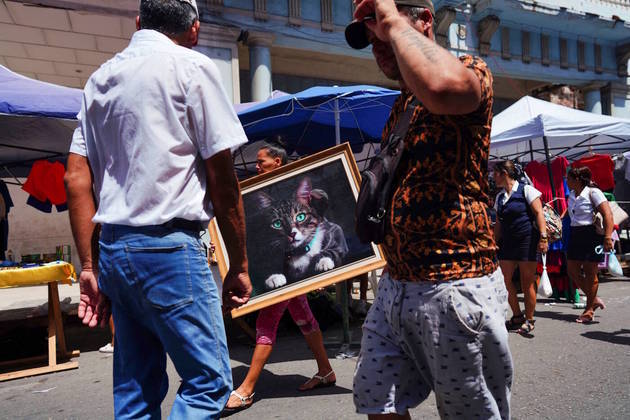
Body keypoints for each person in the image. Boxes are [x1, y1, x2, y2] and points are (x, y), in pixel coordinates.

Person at [64, 0, 252, 417]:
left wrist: (89, 268)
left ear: (138, 23)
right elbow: (222, 178)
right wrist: (238, 265)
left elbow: (75, 179)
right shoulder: (191, 68)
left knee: (135, 391)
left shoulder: (99, 80)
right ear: (195, 30)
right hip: (170, 247)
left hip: (114, 251)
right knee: (208, 383)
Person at [345, 0, 512, 418]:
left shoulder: (471, 69)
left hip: (454, 285)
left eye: (381, 23)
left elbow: (443, 87)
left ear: (423, 19)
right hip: (397, 285)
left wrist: (391, 23)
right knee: (375, 398)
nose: (376, 39)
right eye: (369, 33)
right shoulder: (403, 104)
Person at [224, 142, 336, 412]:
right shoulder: (261, 192)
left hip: (290, 271)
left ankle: (247, 389)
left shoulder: (291, 189)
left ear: (278, 162)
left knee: (267, 321)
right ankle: (326, 370)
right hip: (277, 267)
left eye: (262, 161)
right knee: (303, 316)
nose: (257, 166)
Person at [493, 160, 548, 335]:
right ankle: (517, 316)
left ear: (504, 173)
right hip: (507, 244)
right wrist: (493, 242)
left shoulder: (526, 189)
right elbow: (499, 223)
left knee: (526, 282)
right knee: (504, 281)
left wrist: (543, 237)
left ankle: (529, 319)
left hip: (527, 241)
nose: (493, 177)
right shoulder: (500, 197)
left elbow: (539, 212)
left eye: (495, 173)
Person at [565, 167, 613, 323]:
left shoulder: (593, 192)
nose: (566, 181)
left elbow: (607, 214)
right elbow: (572, 213)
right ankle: (594, 299)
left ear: (577, 180)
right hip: (575, 234)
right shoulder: (572, 195)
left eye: (569, 179)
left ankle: (589, 309)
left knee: (590, 272)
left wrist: (607, 237)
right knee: (571, 269)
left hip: (591, 234)